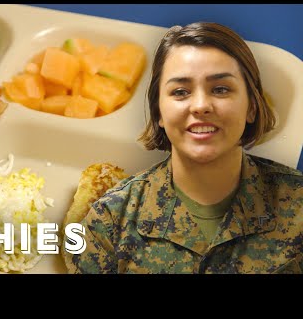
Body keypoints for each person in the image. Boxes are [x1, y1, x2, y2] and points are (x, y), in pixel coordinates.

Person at [63, 22, 303, 274]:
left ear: (252, 107)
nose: (200, 105)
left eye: (220, 89)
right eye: (180, 91)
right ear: (159, 113)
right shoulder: (109, 221)